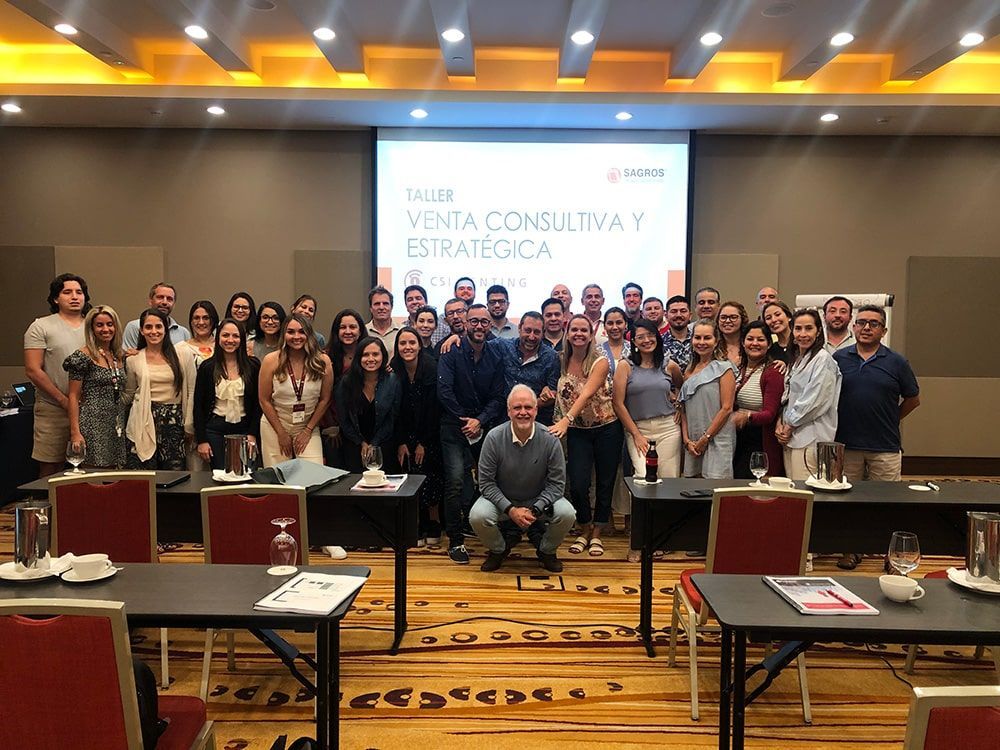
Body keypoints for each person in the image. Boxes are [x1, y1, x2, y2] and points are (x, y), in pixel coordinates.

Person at [471, 385, 576, 573]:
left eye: (528, 407)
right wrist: (511, 510)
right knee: (478, 516)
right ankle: (499, 549)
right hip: (503, 501)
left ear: (536, 410)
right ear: (508, 411)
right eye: (517, 408)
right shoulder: (493, 438)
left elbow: (557, 485)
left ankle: (546, 551)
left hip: (539, 501)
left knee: (567, 513)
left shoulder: (551, 439)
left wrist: (535, 509)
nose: (523, 412)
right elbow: (486, 484)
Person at [437, 303, 506, 564]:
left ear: (490, 325)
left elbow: (498, 396)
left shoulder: (496, 354)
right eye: (474, 321)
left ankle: (486, 529)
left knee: (491, 479)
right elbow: (444, 392)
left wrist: (480, 420)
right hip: (453, 427)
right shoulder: (450, 351)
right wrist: (465, 419)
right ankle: (455, 540)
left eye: (484, 322)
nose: (479, 326)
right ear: (465, 323)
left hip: (483, 426)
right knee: (455, 481)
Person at [550, 314, 623, 558]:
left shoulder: (600, 361)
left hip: (606, 429)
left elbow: (587, 393)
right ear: (567, 333)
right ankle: (584, 528)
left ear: (592, 335)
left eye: (584, 330)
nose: (579, 334)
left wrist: (566, 419)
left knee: (605, 483)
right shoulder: (561, 359)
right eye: (574, 330)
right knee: (579, 484)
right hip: (578, 432)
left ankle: (597, 533)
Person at [612, 318, 684, 562]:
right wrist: (636, 434)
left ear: (657, 336)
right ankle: (638, 541)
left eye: (650, 335)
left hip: (668, 428)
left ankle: (661, 539)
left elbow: (682, 389)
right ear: (633, 341)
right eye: (640, 336)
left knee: (668, 481)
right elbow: (618, 403)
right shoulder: (626, 366)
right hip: (638, 429)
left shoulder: (669, 365)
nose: (646, 340)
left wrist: (679, 406)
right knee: (643, 480)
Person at [834, 304, 920, 482]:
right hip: (846, 445)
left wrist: (892, 417)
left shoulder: (897, 362)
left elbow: (913, 399)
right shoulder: (838, 359)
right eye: (861, 323)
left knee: (884, 497)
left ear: (884, 331)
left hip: (884, 446)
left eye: (874, 324)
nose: (866, 328)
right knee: (845, 495)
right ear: (854, 327)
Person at [24, 273, 89, 476]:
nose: (74, 297)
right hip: (53, 408)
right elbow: (33, 369)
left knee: (91, 468)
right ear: (55, 298)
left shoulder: (94, 325)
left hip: (89, 409)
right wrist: (63, 400)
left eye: (79, 292)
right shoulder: (40, 326)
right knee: (51, 467)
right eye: (67, 292)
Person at [775, 309, 842, 481]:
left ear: (818, 331)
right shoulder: (797, 359)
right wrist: (781, 422)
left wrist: (789, 425)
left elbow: (814, 401)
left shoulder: (823, 359)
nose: (803, 334)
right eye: (798, 328)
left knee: (806, 490)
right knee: (793, 489)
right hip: (792, 437)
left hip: (810, 438)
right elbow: (788, 397)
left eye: (808, 328)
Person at [124, 308, 196, 470]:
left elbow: (191, 391)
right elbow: (129, 394)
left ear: (165, 329)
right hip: (143, 420)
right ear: (141, 331)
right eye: (148, 327)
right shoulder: (133, 360)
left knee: (174, 474)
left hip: (174, 422)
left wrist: (189, 424)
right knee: (143, 475)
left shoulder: (182, 355)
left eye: (158, 326)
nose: (154, 331)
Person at [258, 314, 333, 467]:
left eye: (301, 332)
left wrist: (307, 430)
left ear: (309, 334)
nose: (296, 337)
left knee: (313, 474)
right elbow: (264, 400)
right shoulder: (271, 360)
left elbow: (325, 399)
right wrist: (281, 433)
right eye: (290, 332)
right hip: (275, 424)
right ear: (283, 334)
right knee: (278, 475)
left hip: (307, 425)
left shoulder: (322, 361)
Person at [392, 327, 444, 546]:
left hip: (430, 433)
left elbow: (435, 410)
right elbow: (394, 411)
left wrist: (423, 442)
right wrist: (402, 441)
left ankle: (433, 522)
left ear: (420, 345)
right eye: (402, 343)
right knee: (408, 474)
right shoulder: (393, 370)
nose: (407, 347)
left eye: (412, 343)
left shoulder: (432, 367)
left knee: (429, 473)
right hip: (404, 433)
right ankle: (416, 522)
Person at [64, 305, 129, 470]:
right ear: (91, 329)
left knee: (113, 475)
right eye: (99, 325)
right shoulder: (82, 357)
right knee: (93, 474)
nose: (105, 329)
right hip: (92, 423)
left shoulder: (118, 355)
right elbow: (73, 396)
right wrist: (75, 433)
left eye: (110, 324)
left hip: (115, 423)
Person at [193, 319, 261, 470]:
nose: (230, 340)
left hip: (244, 430)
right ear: (218, 338)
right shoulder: (207, 367)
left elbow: (258, 404)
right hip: (215, 430)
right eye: (225, 335)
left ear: (242, 339)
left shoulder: (253, 366)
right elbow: (198, 406)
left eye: (235, 336)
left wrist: (253, 433)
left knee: (246, 473)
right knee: (219, 475)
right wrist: (202, 440)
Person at [679, 319, 736, 479]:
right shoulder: (689, 371)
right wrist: (686, 440)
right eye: (697, 337)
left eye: (707, 338)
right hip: (693, 441)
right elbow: (683, 409)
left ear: (716, 341)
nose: (701, 342)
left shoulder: (725, 369)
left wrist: (705, 439)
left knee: (716, 487)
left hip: (717, 438)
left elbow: (727, 408)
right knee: (693, 488)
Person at [335, 336, 400, 473]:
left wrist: (374, 444)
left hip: (384, 444)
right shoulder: (346, 382)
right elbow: (343, 419)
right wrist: (361, 443)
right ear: (359, 357)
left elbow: (392, 418)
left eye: (375, 354)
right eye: (365, 355)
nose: (371, 359)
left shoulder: (392, 381)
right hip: (353, 444)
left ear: (383, 356)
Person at [730, 321, 785, 479]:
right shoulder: (738, 368)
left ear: (769, 344)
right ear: (743, 342)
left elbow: (770, 414)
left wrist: (747, 416)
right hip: (736, 438)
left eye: (760, 340)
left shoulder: (774, 371)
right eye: (750, 339)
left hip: (759, 440)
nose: (754, 343)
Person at [494, 311, 559, 425]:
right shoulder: (503, 346)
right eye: (528, 331)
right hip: (501, 418)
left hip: (536, 420)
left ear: (543, 333)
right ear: (519, 328)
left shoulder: (552, 357)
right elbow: (480, 345)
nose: (531, 337)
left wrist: (525, 408)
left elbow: (552, 393)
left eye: (537, 332)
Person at [320, 307, 366, 466]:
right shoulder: (325, 358)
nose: (348, 331)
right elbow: (321, 395)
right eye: (342, 327)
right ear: (336, 331)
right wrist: (331, 426)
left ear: (360, 330)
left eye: (352, 327)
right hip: (333, 428)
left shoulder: (369, 356)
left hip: (361, 427)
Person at [123, 282, 190, 348]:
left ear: (174, 304)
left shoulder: (183, 333)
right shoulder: (134, 327)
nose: (164, 302)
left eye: (169, 299)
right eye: (160, 297)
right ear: (150, 301)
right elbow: (130, 354)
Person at [178, 300, 218, 367]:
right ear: (191, 322)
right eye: (196, 318)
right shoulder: (181, 348)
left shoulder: (222, 346)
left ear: (213, 320)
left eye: (206, 318)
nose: (201, 322)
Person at [366, 285, 402, 350]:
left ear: (391, 307)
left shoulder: (402, 330)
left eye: (385, 303)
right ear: (370, 308)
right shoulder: (364, 331)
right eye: (377, 304)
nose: (381, 307)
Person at [663, 295, 693, 370]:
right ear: (666, 316)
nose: (678, 315)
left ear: (690, 316)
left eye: (683, 311)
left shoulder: (699, 340)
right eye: (674, 311)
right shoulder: (658, 342)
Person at [717, 301, 749, 366]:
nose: (727, 321)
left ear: (742, 319)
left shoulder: (749, 345)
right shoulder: (713, 346)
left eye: (733, 317)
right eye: (723, 317)